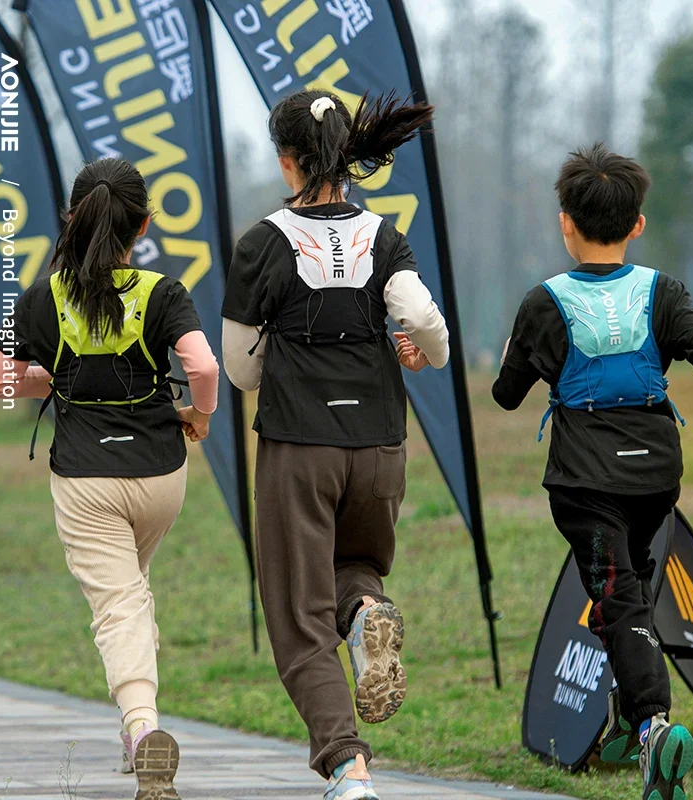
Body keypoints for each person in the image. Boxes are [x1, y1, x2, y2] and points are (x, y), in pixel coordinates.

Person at [492, 143, 693, 800]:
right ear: (637, 224)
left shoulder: (544, 301)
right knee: (631, 589)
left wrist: (518, 346)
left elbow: (505, 395)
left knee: (618, 597)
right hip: (656, 472)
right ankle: (625, 721)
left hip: (584, 479)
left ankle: (654, 728)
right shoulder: (664, 291)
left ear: (564, 222)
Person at [222, 90, 449, 800]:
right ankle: (364, 615)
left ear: (288, 162)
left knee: (296, 612)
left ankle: (348, 765)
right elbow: (418, 316)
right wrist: (426, 354)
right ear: (345, 156)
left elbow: (238, 368)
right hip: (379, 445)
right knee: (354, 568)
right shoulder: (385, 236)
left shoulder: (262, 241)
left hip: (299, 447)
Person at [0, 158, 218, 800]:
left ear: (72, 219)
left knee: (117, 605)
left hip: (85, 479)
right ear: (142, 224)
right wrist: (198, 414)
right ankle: (130, 736)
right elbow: (203, 366)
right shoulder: (164, 292)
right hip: (161, 476)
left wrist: (51, 377)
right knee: (131, 592)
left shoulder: (41, 298)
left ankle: (145, 735)